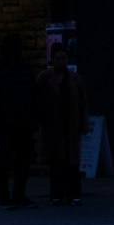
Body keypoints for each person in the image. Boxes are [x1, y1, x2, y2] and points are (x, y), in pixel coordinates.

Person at [0, 33, 37, 210]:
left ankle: (15, 194)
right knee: (6, 161)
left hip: (17, 122)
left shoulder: (4, 70)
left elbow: (32, 96)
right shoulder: (4, 70)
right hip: (7, 123)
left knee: (15, 161)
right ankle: (8, 195)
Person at [37, 43, 91, 205]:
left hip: (70, 125)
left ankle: (73, 193)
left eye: (64, 58)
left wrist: (83, 124)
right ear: (52, 59)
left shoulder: (75, 78)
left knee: (72, 162)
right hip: (54, 126)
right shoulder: (44, 78)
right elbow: (39, 101)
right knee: (57, 163)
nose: (61, 61)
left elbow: (82, 102)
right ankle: (57, 194)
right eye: (58, 58)